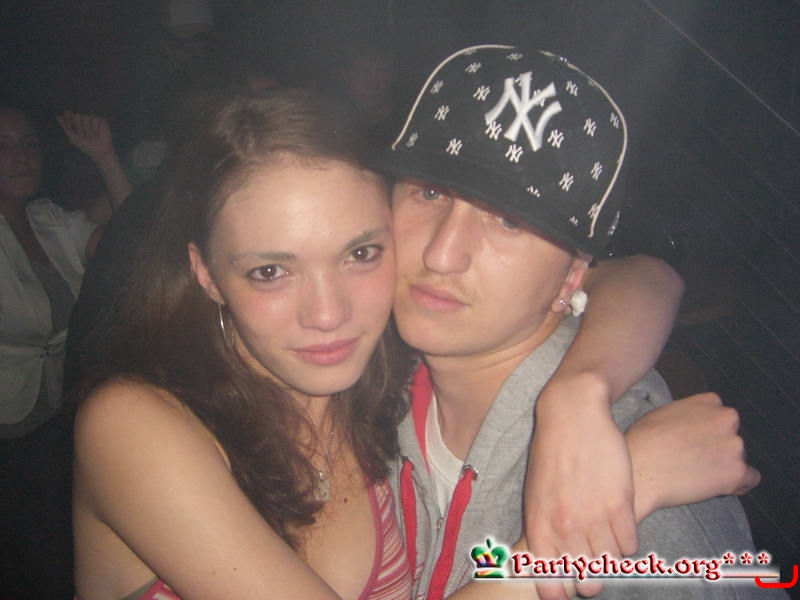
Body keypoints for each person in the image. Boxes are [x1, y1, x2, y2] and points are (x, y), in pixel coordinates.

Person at [71, 89, 752, 600]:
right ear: (205, 274)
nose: (328, 314)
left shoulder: (386, 385)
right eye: (270, 271)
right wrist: (626, 489)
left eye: (360, 253)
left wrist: (582, 391)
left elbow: (637, 275)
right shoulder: (135, 426)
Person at [374, 45, 776, 599]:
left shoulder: (648, 531)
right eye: (431, 192)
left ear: (572, 277)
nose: (443, 253)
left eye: (509, 221)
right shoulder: (362, 378)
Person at [0, 104, 127, 598]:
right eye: (4, 145)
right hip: (6, 428)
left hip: (55, 410)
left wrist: (105, 157)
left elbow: (128, 241)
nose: (21, 155)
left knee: (57, 544)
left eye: (29, 143)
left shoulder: (48, 220)